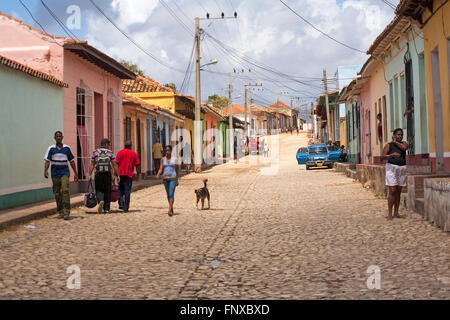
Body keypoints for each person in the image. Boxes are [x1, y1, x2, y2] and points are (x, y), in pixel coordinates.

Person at [44, 131, 78, 220]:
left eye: (60, 136)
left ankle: (67, 211)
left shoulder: (67, 148)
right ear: (54, 138)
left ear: (62, 137)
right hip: (55, 174)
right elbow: (47, 161)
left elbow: (72, 161)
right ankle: (61, 210)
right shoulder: (51, 149)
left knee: (65, 190)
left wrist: (75, 173)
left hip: (64, 173)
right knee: (57, 193)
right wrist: (45, 170)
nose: (58, 137)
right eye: (57, 136)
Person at [382, 128, 408, 220]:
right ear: (394, 135)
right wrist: (391, 155)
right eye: (398, 135)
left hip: (402, 168)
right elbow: (383, 157)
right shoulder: (388, 145)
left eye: (401, 135)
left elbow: (404, 148)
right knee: (392, 190)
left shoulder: (404, 143)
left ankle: (396, 212)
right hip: (391, 168)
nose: (400, 136)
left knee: (398, 190)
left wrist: (395, 142)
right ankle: (390, 213)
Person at [88, 139, 118, 214]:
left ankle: (101, 200)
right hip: (107, 174)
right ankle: (106, 208)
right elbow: (114, 165)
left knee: (98, 189)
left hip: (98, 174)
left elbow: (92, 164)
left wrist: (89, 174)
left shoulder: (95, 152)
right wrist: (116, 175)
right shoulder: (110, 152)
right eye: (109, 144)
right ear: (106, 144)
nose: (109, 146)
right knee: (107, 190)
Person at [115, 140, 140, 213]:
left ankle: (121, 202)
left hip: (120, 175)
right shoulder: (134, 154)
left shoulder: (120, 153)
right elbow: (137, 164)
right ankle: (126, 207)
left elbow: (116, 164)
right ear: (131, 146)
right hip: (129, 175)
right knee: (127, 191)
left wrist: (115, 174)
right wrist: (138, 174)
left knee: (120, 190)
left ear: (124, 145)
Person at [156, 145, 179, 216]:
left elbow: (177, 169)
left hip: (173, 178)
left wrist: (177, 178)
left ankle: (169, 209)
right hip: (165, 179)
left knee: (171, 193)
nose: (167, 152)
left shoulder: (174, 159)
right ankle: (171, 207)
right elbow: (161, 168)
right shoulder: (163, 159)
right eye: (166, 150)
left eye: (168, 150)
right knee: (168, 194)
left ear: (171, 151)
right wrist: (158, 174)